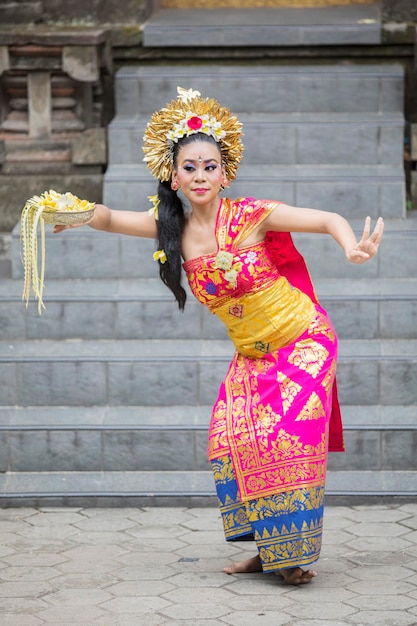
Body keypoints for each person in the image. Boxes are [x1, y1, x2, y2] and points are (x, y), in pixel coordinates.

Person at [54, 86, 384, 585]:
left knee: (283, 442)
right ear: (173, 175)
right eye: (190, 167)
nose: (201, 175)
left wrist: (349, 246)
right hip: (252, 356)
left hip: (303, 341)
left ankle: (290, 558)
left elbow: (324, 218)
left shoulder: (251, 215)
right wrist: (71, 211)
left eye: (210, 166)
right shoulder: (173, 230)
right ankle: (269, 551)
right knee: (230, 440)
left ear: (224, 172)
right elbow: (108, 217)